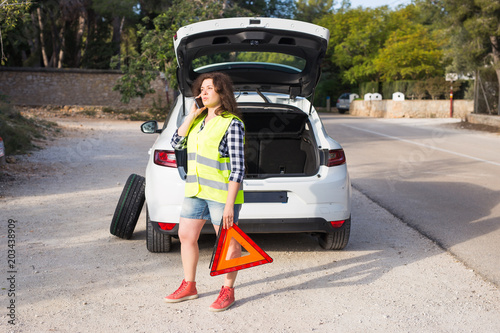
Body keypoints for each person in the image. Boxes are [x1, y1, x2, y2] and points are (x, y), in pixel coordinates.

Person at [164, 72, 245, 312]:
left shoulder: (231, 123)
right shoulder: (197, 122)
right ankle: (189, 286)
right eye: (202, 88)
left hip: (222, 196)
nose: (204, 92)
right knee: (186, 236)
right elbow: (176, 144)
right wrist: (190, 116)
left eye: (210, 88)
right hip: (195, 191)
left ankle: (227, 291)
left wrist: (230, 205)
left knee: (229, 245)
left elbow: (239, 167)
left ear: (222, 92)